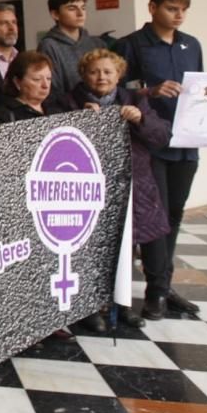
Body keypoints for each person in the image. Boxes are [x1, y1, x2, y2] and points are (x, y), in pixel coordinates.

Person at [63, 49, 171, 326]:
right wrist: (80, 120)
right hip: (91, 188)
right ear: (84, 75)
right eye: (94, 72)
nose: (101, 77)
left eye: (108, 72)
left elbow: (162, 136)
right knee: (98, 248)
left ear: (119, 74)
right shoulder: (69, 101)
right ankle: (93, 306)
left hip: (137, 184)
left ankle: (129, 303)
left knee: (141, 242)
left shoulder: (135, 99)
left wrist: (140, 119)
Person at [115, 0, 204, 318]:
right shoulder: (133, 44)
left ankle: (165, 285)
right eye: (171, 8)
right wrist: (150, 90)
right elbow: (118, 86)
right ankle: (155, 291)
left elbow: (200, 87)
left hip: (187, 140)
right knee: (157, 218)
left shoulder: (190, 44)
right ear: (153, 8)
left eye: (183, 9)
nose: (178, 15)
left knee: (176, 214)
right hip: (151, 142)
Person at [37, 0, 106, 107]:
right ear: (55, 14)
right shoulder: (49, 45)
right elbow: (52, 91)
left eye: (83, 8)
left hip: (103, 108)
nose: (80, 13)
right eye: (72, 8)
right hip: (69, 112)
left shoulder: (97, 43)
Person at [0, 51, 63, 123]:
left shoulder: (57, 108)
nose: (45, 85)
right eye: (37, 79)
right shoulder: (5, 115)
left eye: (49, 78)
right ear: (17, 82)